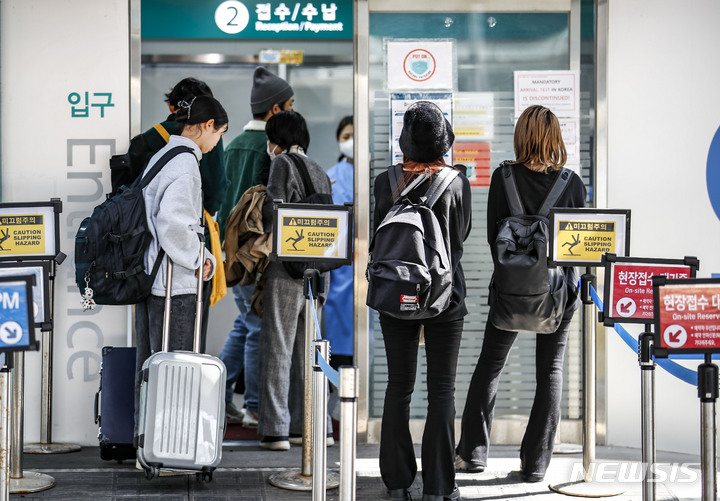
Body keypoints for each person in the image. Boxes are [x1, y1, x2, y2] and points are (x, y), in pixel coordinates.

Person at [455, 104, 586, 483]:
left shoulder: (503, 177)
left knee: (489, 366)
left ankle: (473, 454)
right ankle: (535, 466)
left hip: (511, 290)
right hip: (557, 294)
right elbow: (574, 247)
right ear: (556, 137)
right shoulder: (571, 183)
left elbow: (492, 234)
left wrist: (514, 275)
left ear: (521, 135)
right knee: (550, 371)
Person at [373, 102, 472, 501]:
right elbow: (459, 240)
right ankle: (438, 487)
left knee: (398, 386)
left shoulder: (385, 181)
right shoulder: (456, 182)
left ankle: (397, 483)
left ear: (404, 143)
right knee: (442, 390)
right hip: (444, 296)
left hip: (395, 291)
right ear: (444, 141)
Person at [132, 78, 229, 445]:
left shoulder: (163, 155)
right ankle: (175, 446)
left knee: (154, 362)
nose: (216, 142)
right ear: (206, 126)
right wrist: (200, 256)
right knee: (178, 365)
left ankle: (151, 440)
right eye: (218, 134)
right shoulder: (186, 164)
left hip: (152, 274)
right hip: (175, 281)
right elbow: (173, 223)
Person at [216, 67, 294, 426]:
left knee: (245, 322)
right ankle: (253, 405)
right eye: (291, 105)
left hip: (229, 251)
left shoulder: (231, 146)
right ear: (276, 110)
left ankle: (217, 391)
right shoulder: (270, 150)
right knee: (257, 326)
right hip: (256, 254)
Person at [257, 110, 332, 450]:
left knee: (278, 346)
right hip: (318, 270)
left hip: (287, 266)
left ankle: (275, 430)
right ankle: (313, 427)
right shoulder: (319, 168)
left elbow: (274, 212)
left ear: (277, 140)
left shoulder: (281, 164)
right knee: (310, 350)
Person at [325, 116, 354, 424]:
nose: (351, 140)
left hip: (370, 268)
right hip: (340, 271)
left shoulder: (381, 173)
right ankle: (337, 406)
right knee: (339, 342)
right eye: (346, 135)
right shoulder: (330, 177)